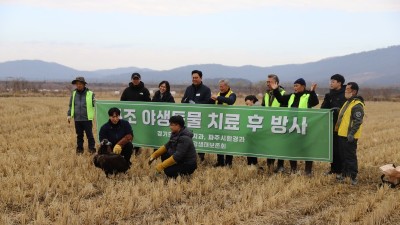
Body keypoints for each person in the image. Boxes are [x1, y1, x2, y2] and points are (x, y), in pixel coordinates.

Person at [271, 78, 319, 176]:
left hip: (305, 125)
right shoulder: (292, 96)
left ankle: (308, 171)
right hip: (292, 125)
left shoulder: (308, 95)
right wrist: (275, 90)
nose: (295, 88)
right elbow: (280, 99)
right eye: (294, 86)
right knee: (292, 148)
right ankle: (293, 170)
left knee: (306, 148)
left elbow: (315, 102)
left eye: (296, 85)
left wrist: (313, 91)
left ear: (303, 86)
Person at [335, 82, 364, 185]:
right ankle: (344, 174)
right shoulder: (348, 102)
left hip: (349, 136)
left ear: (354, 91)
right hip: (342, 134)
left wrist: (351, 133)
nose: (345, 91)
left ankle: (353, 177)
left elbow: (358, 121)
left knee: (350, 157)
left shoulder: (357, 105)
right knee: (343, 156)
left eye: (347, 89)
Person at [181, 70, 211, 162]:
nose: (194, 79)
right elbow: (183, 100)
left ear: (201, 78)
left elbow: (207, 102)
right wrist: (185, 101)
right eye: (193, 77)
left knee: (199, 137)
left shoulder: (206, 89)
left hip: (201, 119)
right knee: (188, 138)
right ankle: (188, 157)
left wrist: (196, 104)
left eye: (196, 77)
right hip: (189, 118)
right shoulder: (188, 89)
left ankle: (200, 159)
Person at [321, 74, 346, 175]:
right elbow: (323, 109)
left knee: (341, 148)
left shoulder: (345, 94)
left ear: (339, 83)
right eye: (330, 81)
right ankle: (333, 169)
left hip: (342, 126)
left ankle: (342, 170)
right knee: (332, 148)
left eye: (333, 82)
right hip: (331, 125)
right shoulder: (329, 95)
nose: (330, 83)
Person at [120, 72, 150, 155]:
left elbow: (149, 104)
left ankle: (137, 150)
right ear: (131, 80)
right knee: (128, 133)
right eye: (134, 79)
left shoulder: (144, 90)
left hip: (140, 117)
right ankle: (128, 148)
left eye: (137, 79)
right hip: (129, 117)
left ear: (140, 79)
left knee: (138, 133)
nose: (135, 80)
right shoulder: (127, 90)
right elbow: (122, 102)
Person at [261, 74, 287, 173]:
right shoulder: (267, 94)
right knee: (269, 144)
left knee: (280, 145)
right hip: (268, 123)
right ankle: (270, 165)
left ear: (276, 83)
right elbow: (263, 107)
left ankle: (280, 166)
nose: (268, 84)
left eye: (270, 82)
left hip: (279, 123)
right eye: (267, 82)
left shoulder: (283, 93)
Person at [210, 79, 237, 167]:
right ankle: (220, 162)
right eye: (219, 86)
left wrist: (217, 98)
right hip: (218, 122)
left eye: (222, 86)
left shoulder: (232, 94)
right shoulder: (217, 94)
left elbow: (230, 101)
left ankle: (228, 163)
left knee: (228, 142)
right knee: (219, 141)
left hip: (229, 122)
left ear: (227, 86)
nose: (220, 88)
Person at [67, 76, 96, 154]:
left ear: (84, 84)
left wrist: (95, 102)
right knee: (79, 136)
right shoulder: (73, 94)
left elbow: (95, 105)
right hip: (77, 119)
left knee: (89, 135)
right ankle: (79, 150)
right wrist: (69, 115)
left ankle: (92, 149)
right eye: (77, 84)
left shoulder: (90, 94)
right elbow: (71, 105)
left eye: (80, 84)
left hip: (87, 119)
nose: (79, 85)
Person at [244, 95, 259, 166]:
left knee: (251, 148)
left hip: (255, 133)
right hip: (252, 133)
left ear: (252, 101)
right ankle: (252, 164)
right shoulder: (254, 108)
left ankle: (252, 163)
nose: (247, 106)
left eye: (247, 104)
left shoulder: (257, 109)